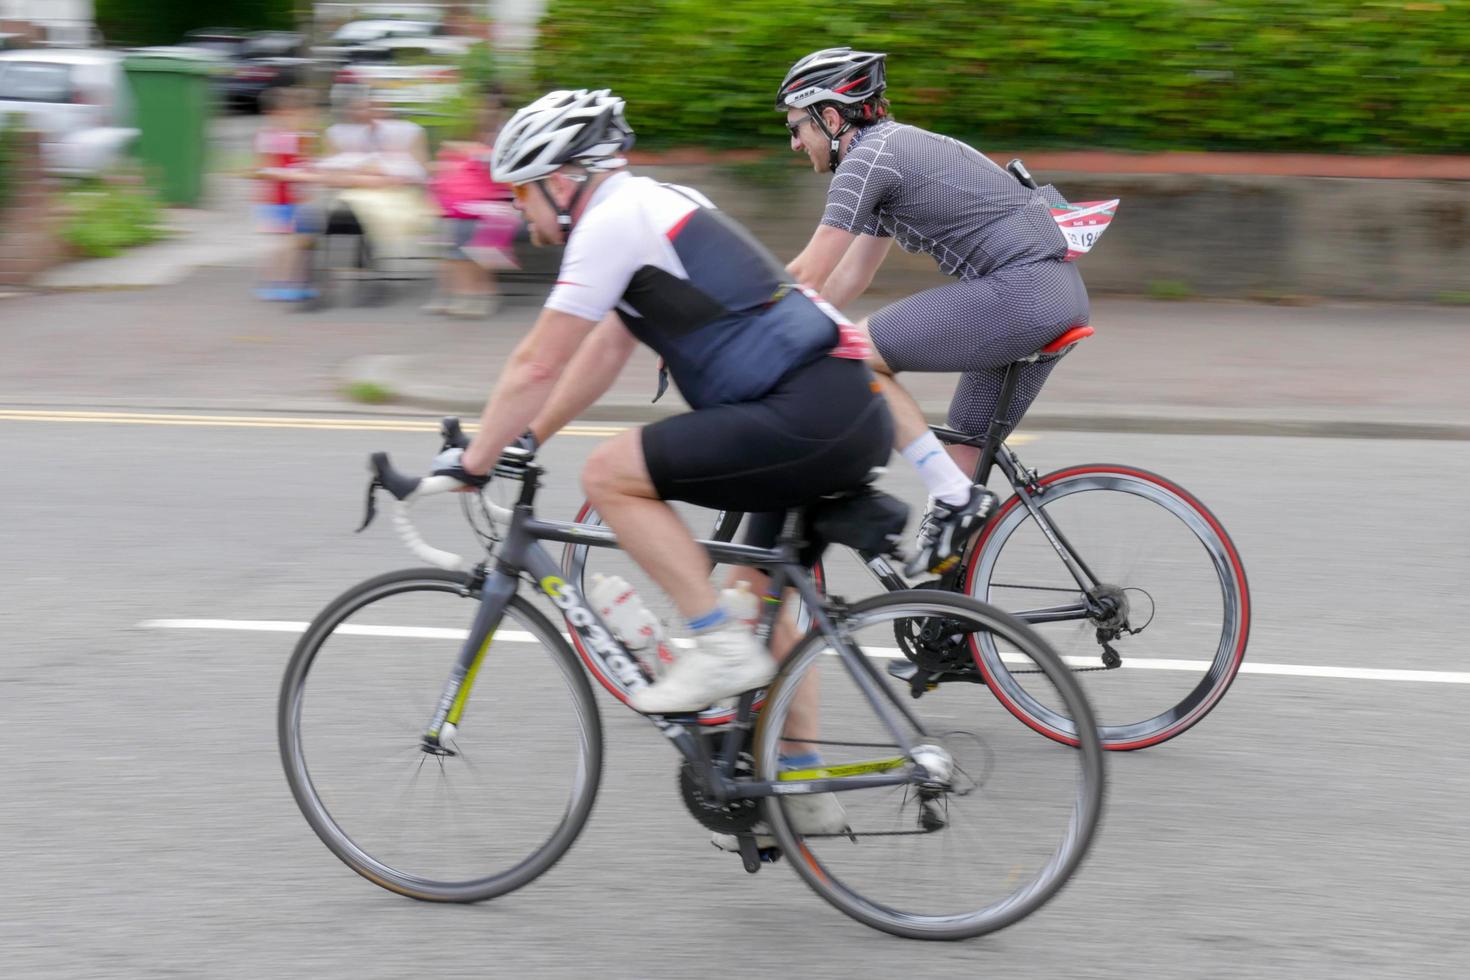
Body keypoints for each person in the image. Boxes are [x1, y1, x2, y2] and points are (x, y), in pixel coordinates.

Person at [436, 90, 892, 735]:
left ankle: (715, 646)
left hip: (799, 412)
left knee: (608, 474)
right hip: (840, 404)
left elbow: (536, 363)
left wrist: (475, 462)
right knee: (757, 601)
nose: (516, 209)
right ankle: (803, 791)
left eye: (521, 191)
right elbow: (606, 350)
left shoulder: (608, 224)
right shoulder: (655, 202)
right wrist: (529, 436)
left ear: (563, 181)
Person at [778, 47, 1091, 575]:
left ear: (830, 119)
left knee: (856, 353)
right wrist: (791, 329)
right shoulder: (892, 150)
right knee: (959, 476)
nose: (793, 144)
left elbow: (807, 273)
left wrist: (729, 329)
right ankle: (954, 636)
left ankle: (954, 499)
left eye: (795, 128)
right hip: (1051, 294)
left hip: (1020, 294)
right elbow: (850, 277)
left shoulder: (866, 161)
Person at [425, 91, 517, 318]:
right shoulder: (477, 136)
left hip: (503, 201)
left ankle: (480, 293)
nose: (484, 113)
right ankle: (459, 292)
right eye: (482, 109)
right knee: (453, 230)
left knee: (467, 231)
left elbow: (504, 169)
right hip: (473, 203)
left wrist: (472, 153)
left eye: (490, 109)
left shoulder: (509, 136)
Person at [251, 87, 316, 301]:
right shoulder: (272, 137)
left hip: (294, 196)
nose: (301, 117)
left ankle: (288, 281)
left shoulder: (298, 135)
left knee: (298, 241)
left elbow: (304, 162)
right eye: (294, 113)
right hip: (279, 198)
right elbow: (264, 168)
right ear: (278, 114)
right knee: (287, 242)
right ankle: (279, 283)